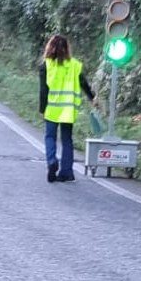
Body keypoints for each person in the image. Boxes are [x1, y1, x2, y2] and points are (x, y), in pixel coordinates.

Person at [39, 33, 95, 183]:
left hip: (52, 108)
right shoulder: (75, 65)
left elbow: (43, 90)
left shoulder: (46, 65)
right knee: (66, 139)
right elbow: (83, 83)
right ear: (67, 49)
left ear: (50, 48)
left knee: (50, 137)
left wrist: (42, 109)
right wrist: (92, 97)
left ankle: (52, 162)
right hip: (68, 109)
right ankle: (66, 172)